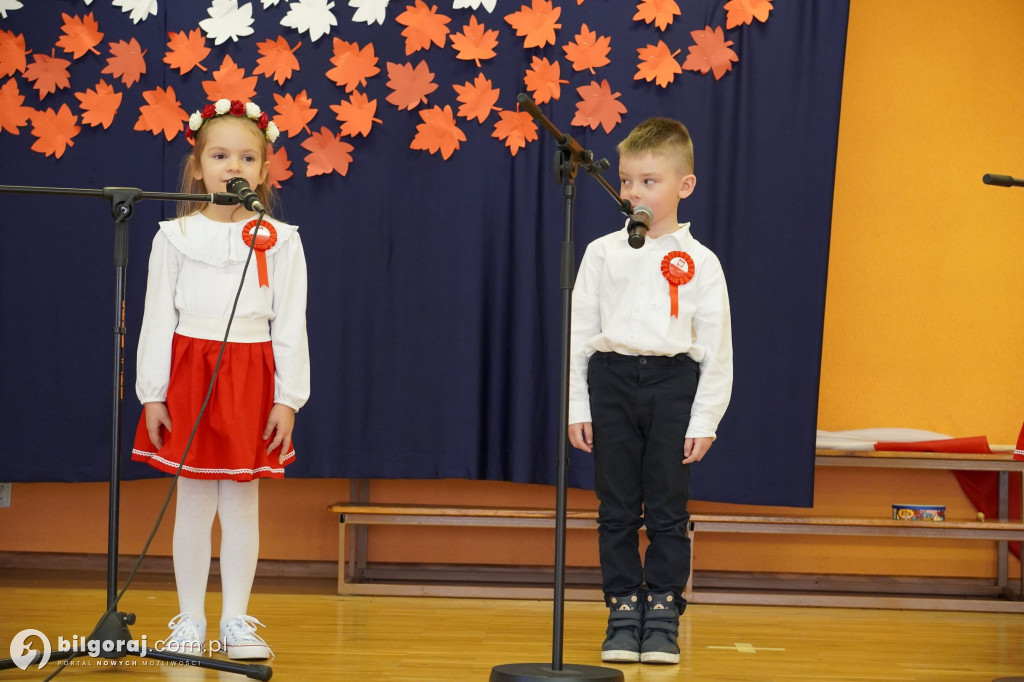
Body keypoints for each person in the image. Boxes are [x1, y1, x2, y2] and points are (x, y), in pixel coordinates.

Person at [131, 98, 308, 661]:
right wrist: (152, 394)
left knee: (240, 503)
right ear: (197, 165)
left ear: (265, 169)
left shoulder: (282, 238)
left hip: (252, 373)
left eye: (247, 157)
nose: (234, 166)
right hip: (190, 372)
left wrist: (288, 399)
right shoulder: (174, 236)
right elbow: (157, 316)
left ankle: (235, 620)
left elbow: (291, 322)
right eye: (220, 154)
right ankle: (188, 619)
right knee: (192, 503)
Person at [568, 118, 732, 665]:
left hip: (672, 385)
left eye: (649, 181)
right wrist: (577, 405)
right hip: (610, 380)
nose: (634, 192)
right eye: (629, 181)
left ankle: (661, 612)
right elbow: (579, 336)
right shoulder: (601, 252)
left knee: (666, 506)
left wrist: (704, 419)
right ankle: (620, 609)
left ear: (684, 186)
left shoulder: (702, 263)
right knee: (615, 506)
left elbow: (715, 348)